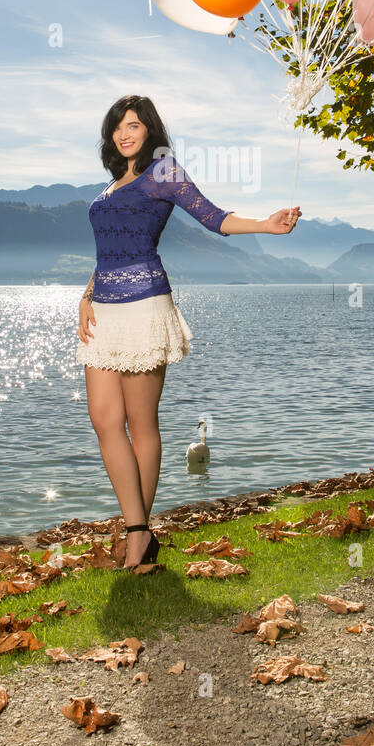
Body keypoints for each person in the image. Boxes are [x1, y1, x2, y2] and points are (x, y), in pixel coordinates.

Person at [76, 95, 301, 571]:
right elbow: (107, 252)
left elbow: (213, 217)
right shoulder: (114, 185)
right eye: (117, 126)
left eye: (133, 125)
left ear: (150, 130)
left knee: (141, 423)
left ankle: (138, 536)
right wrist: (86, 294)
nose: (124, 133)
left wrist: (266, 223)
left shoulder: (164, 172)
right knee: (102, 419)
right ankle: (138, 530)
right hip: (103, 310)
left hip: (144, 306)